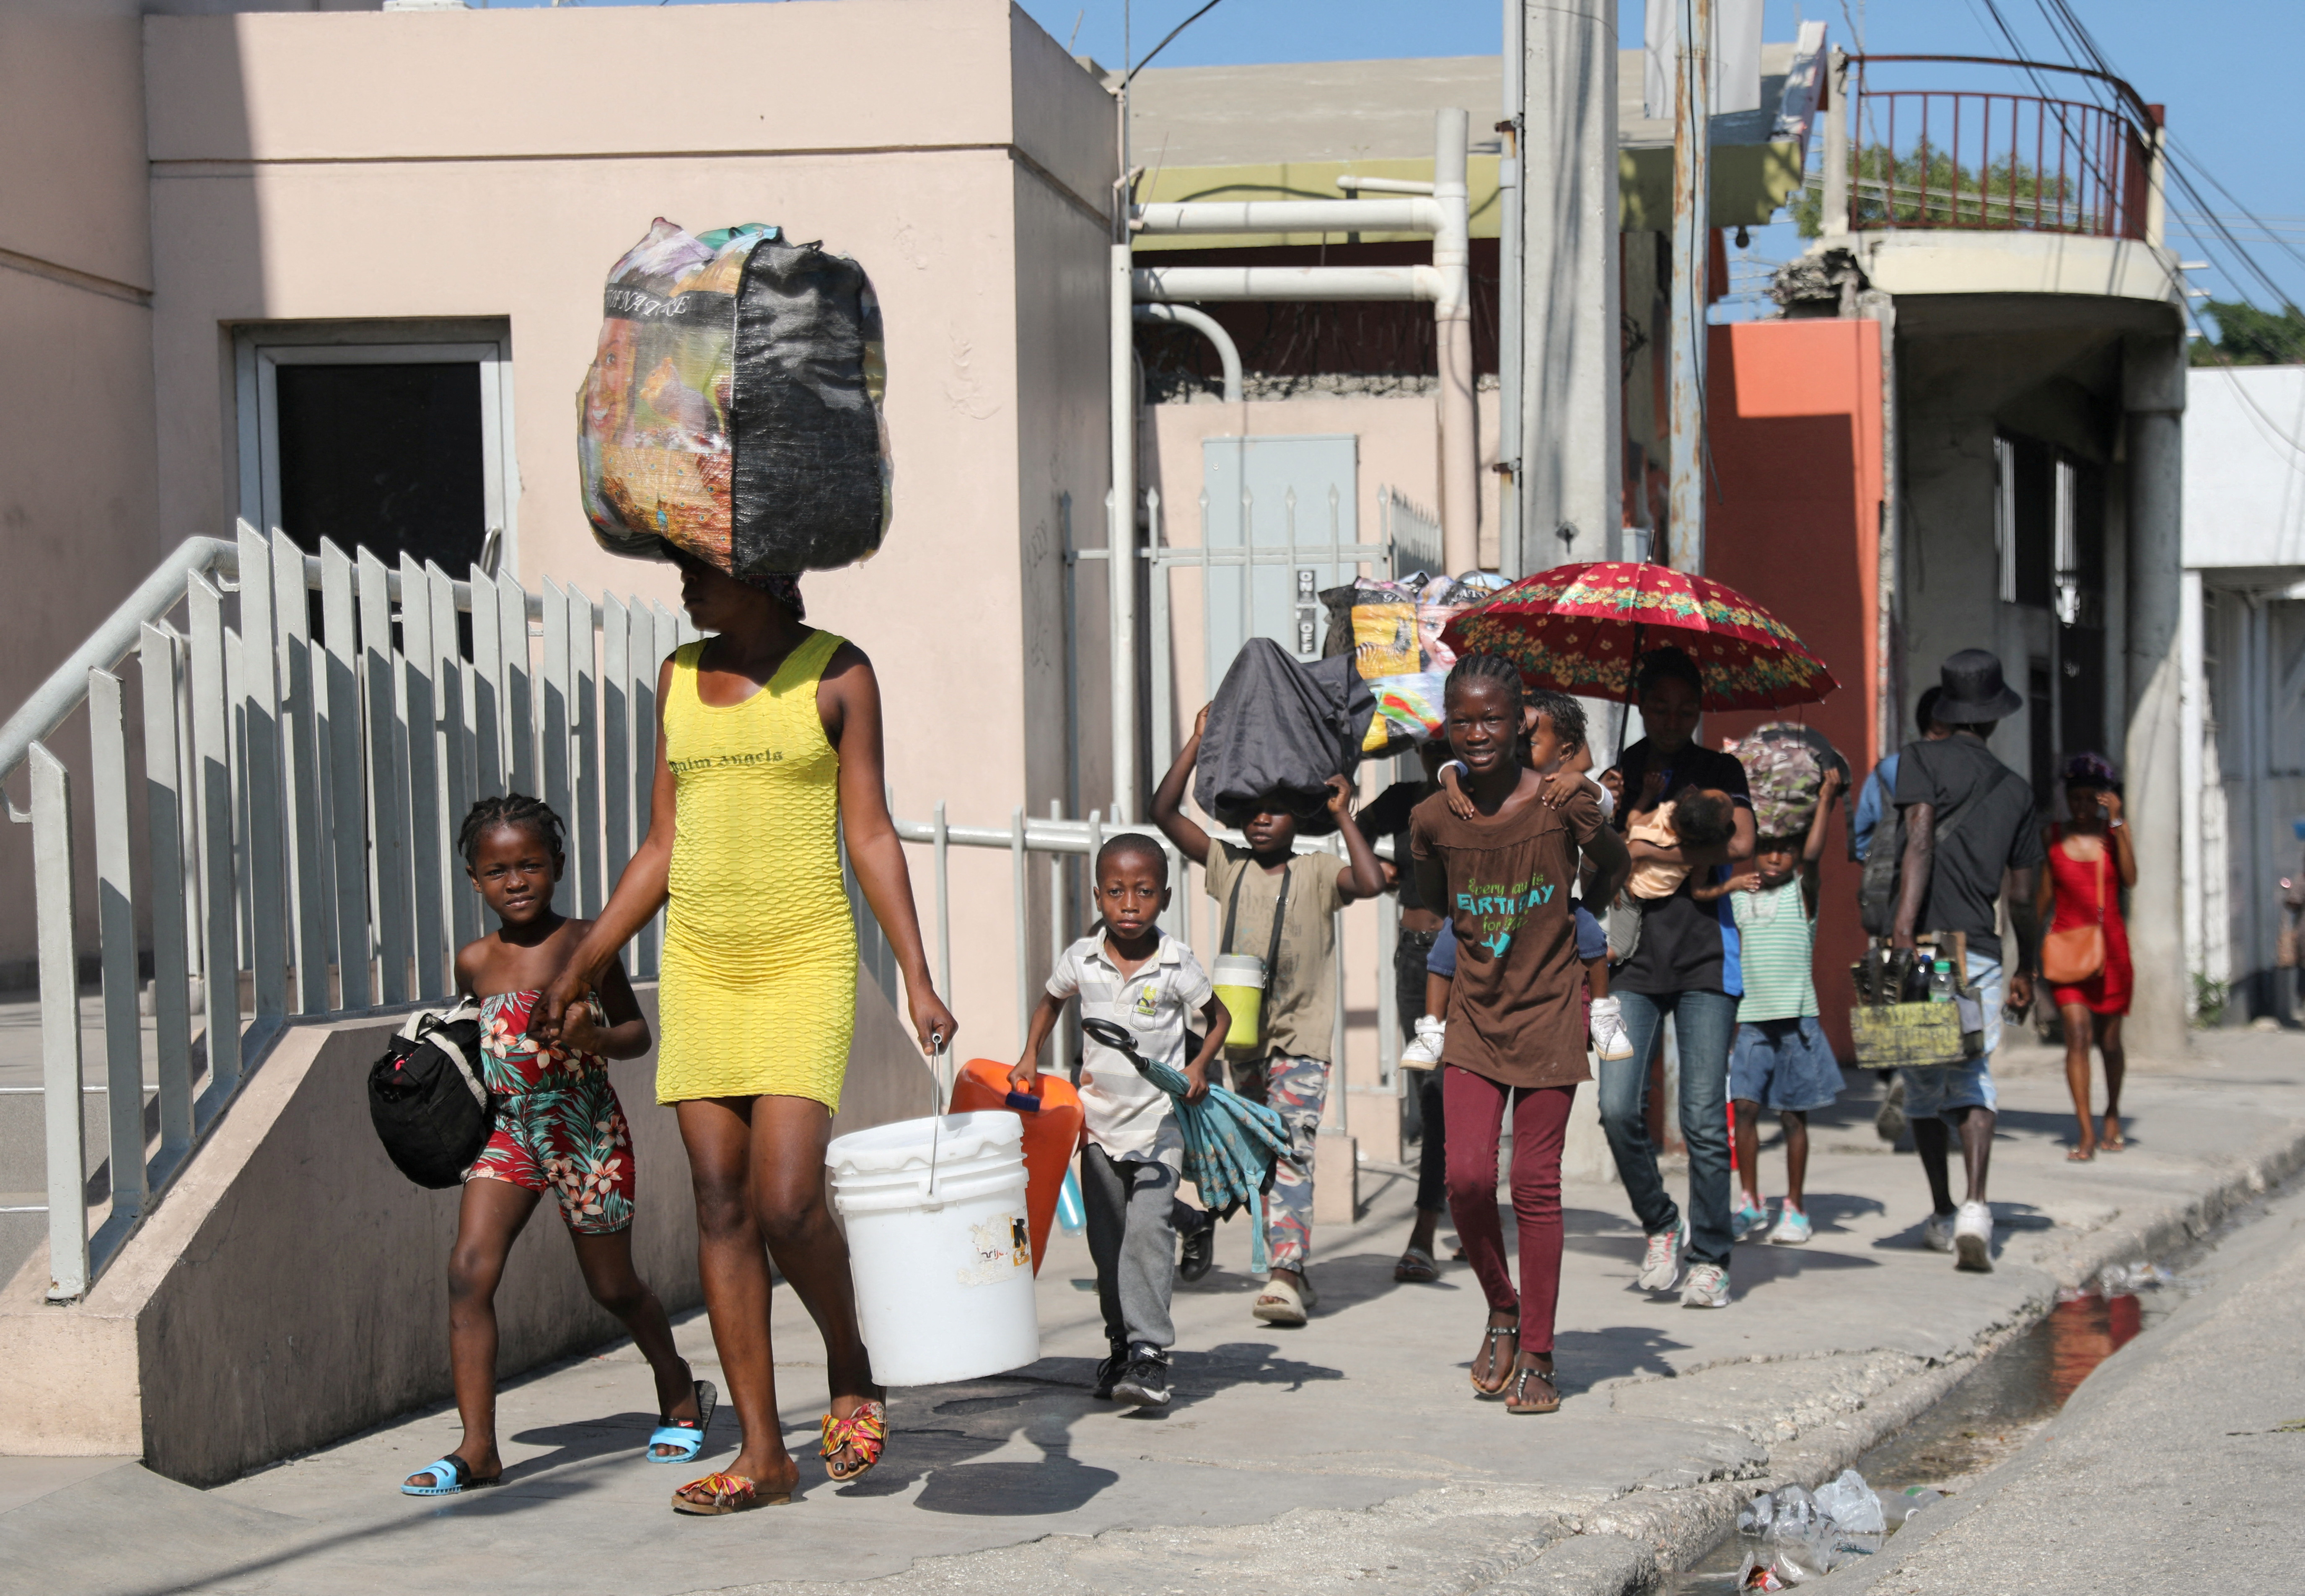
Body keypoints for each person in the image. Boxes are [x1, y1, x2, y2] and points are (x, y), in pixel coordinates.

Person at [535, 554, 958, 1516]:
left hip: (801, 956)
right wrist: (584, 958)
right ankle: (763, 1455)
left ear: (765, 574)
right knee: (721, 1204)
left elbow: (871, 834)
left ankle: (851, 1363)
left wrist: (919, 977)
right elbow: (660, 846)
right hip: (701, 965)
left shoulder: (837, 672)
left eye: (706, 570)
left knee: (786, 1201)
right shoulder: (678, 676)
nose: (685, 585)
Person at [403, 797, 702, 1496]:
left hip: (584, 1129)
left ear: (558, 867)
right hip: (510, 1133)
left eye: (531, 863)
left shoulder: (588, 943)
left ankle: (678, 1381)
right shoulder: (474, 960)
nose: (516, 880)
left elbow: (636, 1033)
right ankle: (479, 1448)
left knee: (612, 1285)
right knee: (467, 1271)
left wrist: (595, 1037)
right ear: (474, 880)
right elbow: (477, 1045)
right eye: (497, 869)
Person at [1410, 655, 1630, 1413]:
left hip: (1550, 1014)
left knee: (1535, 1185)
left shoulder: (1564, 801)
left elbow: (1614, 869)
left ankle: (1538, 1351)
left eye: (1494, 719)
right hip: (1474, 1016)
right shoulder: (1436, 816)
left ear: (1520, 725)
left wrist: (1591, 827)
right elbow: (1431, 904)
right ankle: (1501, 1304)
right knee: (1466, 1179)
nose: (1478, 733)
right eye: (1463, 719)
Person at [1151, 707, 1386, 1327]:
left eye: (1276, 809)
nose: (1261, 819)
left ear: (1298, 816)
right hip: (1241, 1041)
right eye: (1251, 809)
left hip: (1301, 1041)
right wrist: (1199, 741)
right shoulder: (1228, 866)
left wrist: (1342, 814)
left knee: (1292, 1149)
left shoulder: (1314, 872)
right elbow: (1164, 815)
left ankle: (1282, 1274)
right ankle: (1295, 1267)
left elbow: (1370, 882)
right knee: (1256, 1157)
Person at [1011, 836, 1228, 1408]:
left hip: (1160, 1122)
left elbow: (1220, 1016)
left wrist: (1200, 1065)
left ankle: (1152, 1354)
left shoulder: (1177, 963)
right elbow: (1050, 1002)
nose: (1129, 904)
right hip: (1099, 1125)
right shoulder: (1081, 958)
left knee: (1145, 1236)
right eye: (1116, 892)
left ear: (1165, 897)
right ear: (1098, 896)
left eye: (1144, 892)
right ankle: (1120, 1345)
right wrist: (1029, 1054)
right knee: (1107, 1246)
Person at [1596, 647, 1757, 1309]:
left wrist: (1650, 843)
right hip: (1630, 962)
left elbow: (1742, 841)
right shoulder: (1619, 769)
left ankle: (1712, 1255)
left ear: (1698, 710)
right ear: (1640, 706)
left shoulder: (1720, 768)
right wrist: (1622, 810)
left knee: (1699, 1117)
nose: (1671, 718)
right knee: (1615, 1107)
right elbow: (1597, 851)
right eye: (1659, 706)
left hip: (1703, 963)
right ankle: (1662, 1223)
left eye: (1685, 709)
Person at [1888, 649, 2043, 1273]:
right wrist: (2026, 967)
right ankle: (1979, 1207)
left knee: (1925, 1081)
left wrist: (1903, 930)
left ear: (1949, 710)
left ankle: (1943, 1210)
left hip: (1923, 950)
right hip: (1978, 948)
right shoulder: (2017, 790)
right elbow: (2026, 898)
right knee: (1973, 1074)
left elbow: (1918, 840)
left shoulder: (1920, 759)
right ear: (1996, 717)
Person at [1721, 767, 1848, 1246]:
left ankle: (1794, 1207)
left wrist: (1827, 799)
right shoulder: (1739, 900)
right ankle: (1750, 1202)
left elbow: (1814, 855)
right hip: (1750, 1024)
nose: (1775, 856)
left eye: (1785, 850)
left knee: (1794, 1117)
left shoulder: (1802, 895)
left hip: (1797, 1023)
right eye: (1767, 848)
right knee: (1746, 1109)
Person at [1354, 743, 1454, 1284]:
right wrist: (1379, 867)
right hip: (1415, 955)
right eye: (1431, 736)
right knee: (1430, 1092)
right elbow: (1356, 830)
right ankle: (1436, 1220)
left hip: (1472, 958)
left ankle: (1442, 1221)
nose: (1441, 746)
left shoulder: (1487, 800)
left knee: (1459, 1093)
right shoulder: (1404, 800)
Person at [2037, 753, 2135, 1161]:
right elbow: (2043, 897)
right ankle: (2085, 1130)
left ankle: (2111, 1111)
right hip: (2067, 951)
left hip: (2111, 953)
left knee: (2109, 1042)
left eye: (2087, 799)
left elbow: (2131, 878)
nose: (2079, 807)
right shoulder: (2052, 836)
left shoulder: (2112, 836)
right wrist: (2027, 950)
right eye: (2072, 798)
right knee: (2077, 1035)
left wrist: (2117, 822)